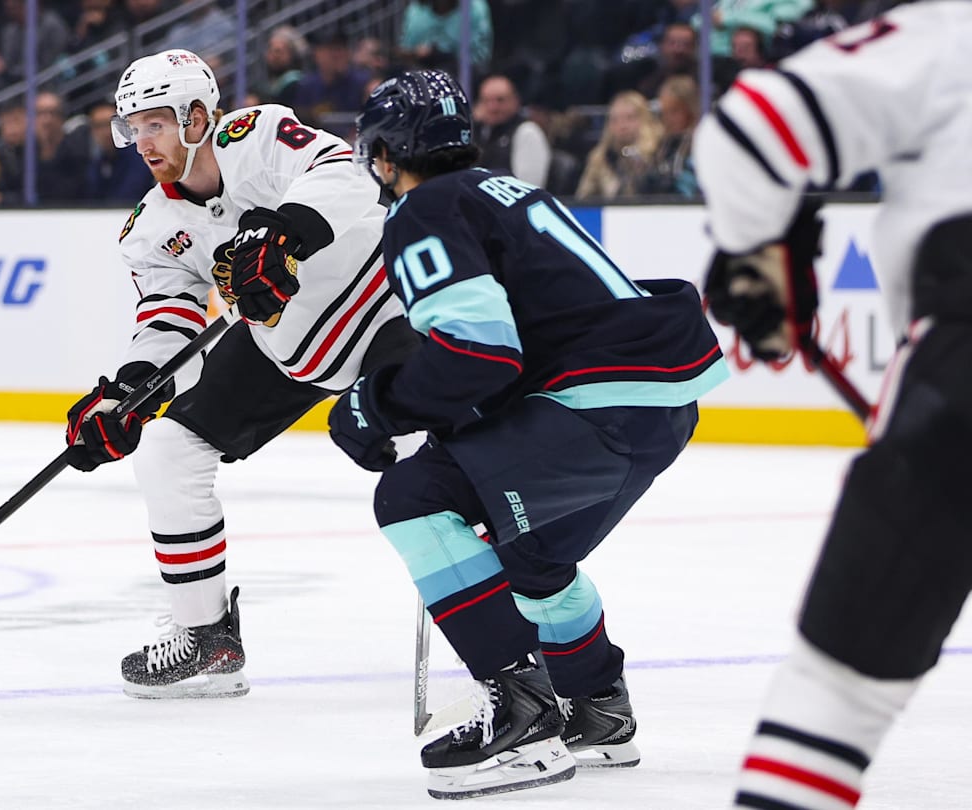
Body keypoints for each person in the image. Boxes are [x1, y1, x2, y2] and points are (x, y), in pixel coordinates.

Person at [335, 68, 728, 799]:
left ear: (387, 155)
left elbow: (479, 352)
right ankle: (598, 708)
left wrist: (376, 407)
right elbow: (520, 339)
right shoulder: (503, 190)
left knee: (415, 497)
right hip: (657, 407)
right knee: (531, 559)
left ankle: (522, 713)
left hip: (595, 405)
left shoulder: (425, 209)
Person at [64, 49, 419, 699]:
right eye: (131, 128)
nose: (142, 142)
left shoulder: (251, 135)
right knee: (169, 451)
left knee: (439, 464)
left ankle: (526, 651)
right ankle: (206, 637)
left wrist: (281, 233)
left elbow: (345, 172)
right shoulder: (152, 226)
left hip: (384, 304)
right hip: (290, 339)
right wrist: (131, 390)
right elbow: (168, 319)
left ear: (198, 115)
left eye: (155, 124)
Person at [694, 4, 972, 808]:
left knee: (836, 700)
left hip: (960, 389)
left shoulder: (952, 32)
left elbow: (751, 126)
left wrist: (762, 248)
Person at [471, 74, 551, 188]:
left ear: (515, 101)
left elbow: (529, 188)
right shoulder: (478, 133)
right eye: (486, 101)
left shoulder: (527, 132)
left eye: (500, 100)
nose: (493, 108)